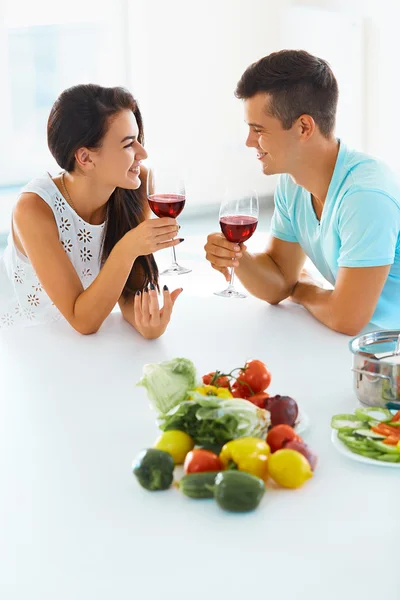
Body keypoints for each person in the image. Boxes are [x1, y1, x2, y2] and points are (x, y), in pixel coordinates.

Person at [205, 49, 400, 335]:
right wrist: (238, 257)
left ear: (304, 127)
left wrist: (305, 289)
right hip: (367, 340)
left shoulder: (365, 197)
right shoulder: (292, 183)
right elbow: (280, 280)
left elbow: (346, 318)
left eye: (258, 130)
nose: (249, 142)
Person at [0, 84, 184, 337]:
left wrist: (146, 323)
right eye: (129, 144)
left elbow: (129, 291)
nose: (143, 153)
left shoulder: (136, 184)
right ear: (85, 158)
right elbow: (83, 321)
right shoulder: (33, 209)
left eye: (138, 139)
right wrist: (128, 247)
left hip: (84, 347)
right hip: (22, 340)